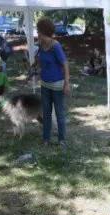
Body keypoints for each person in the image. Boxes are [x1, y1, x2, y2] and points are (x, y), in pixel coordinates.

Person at [35, 17, 70, 146]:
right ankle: (46, 139)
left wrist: (66, 84)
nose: (37, 33)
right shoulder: (40, 45)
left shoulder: (55, 46)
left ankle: (62, 140)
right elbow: (40, 59)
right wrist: (32, 65)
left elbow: (65, 64)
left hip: (57, 85)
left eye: (38, 31)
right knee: (46, 113)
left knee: (60, 113)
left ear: (43, 31)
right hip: (44, 84)